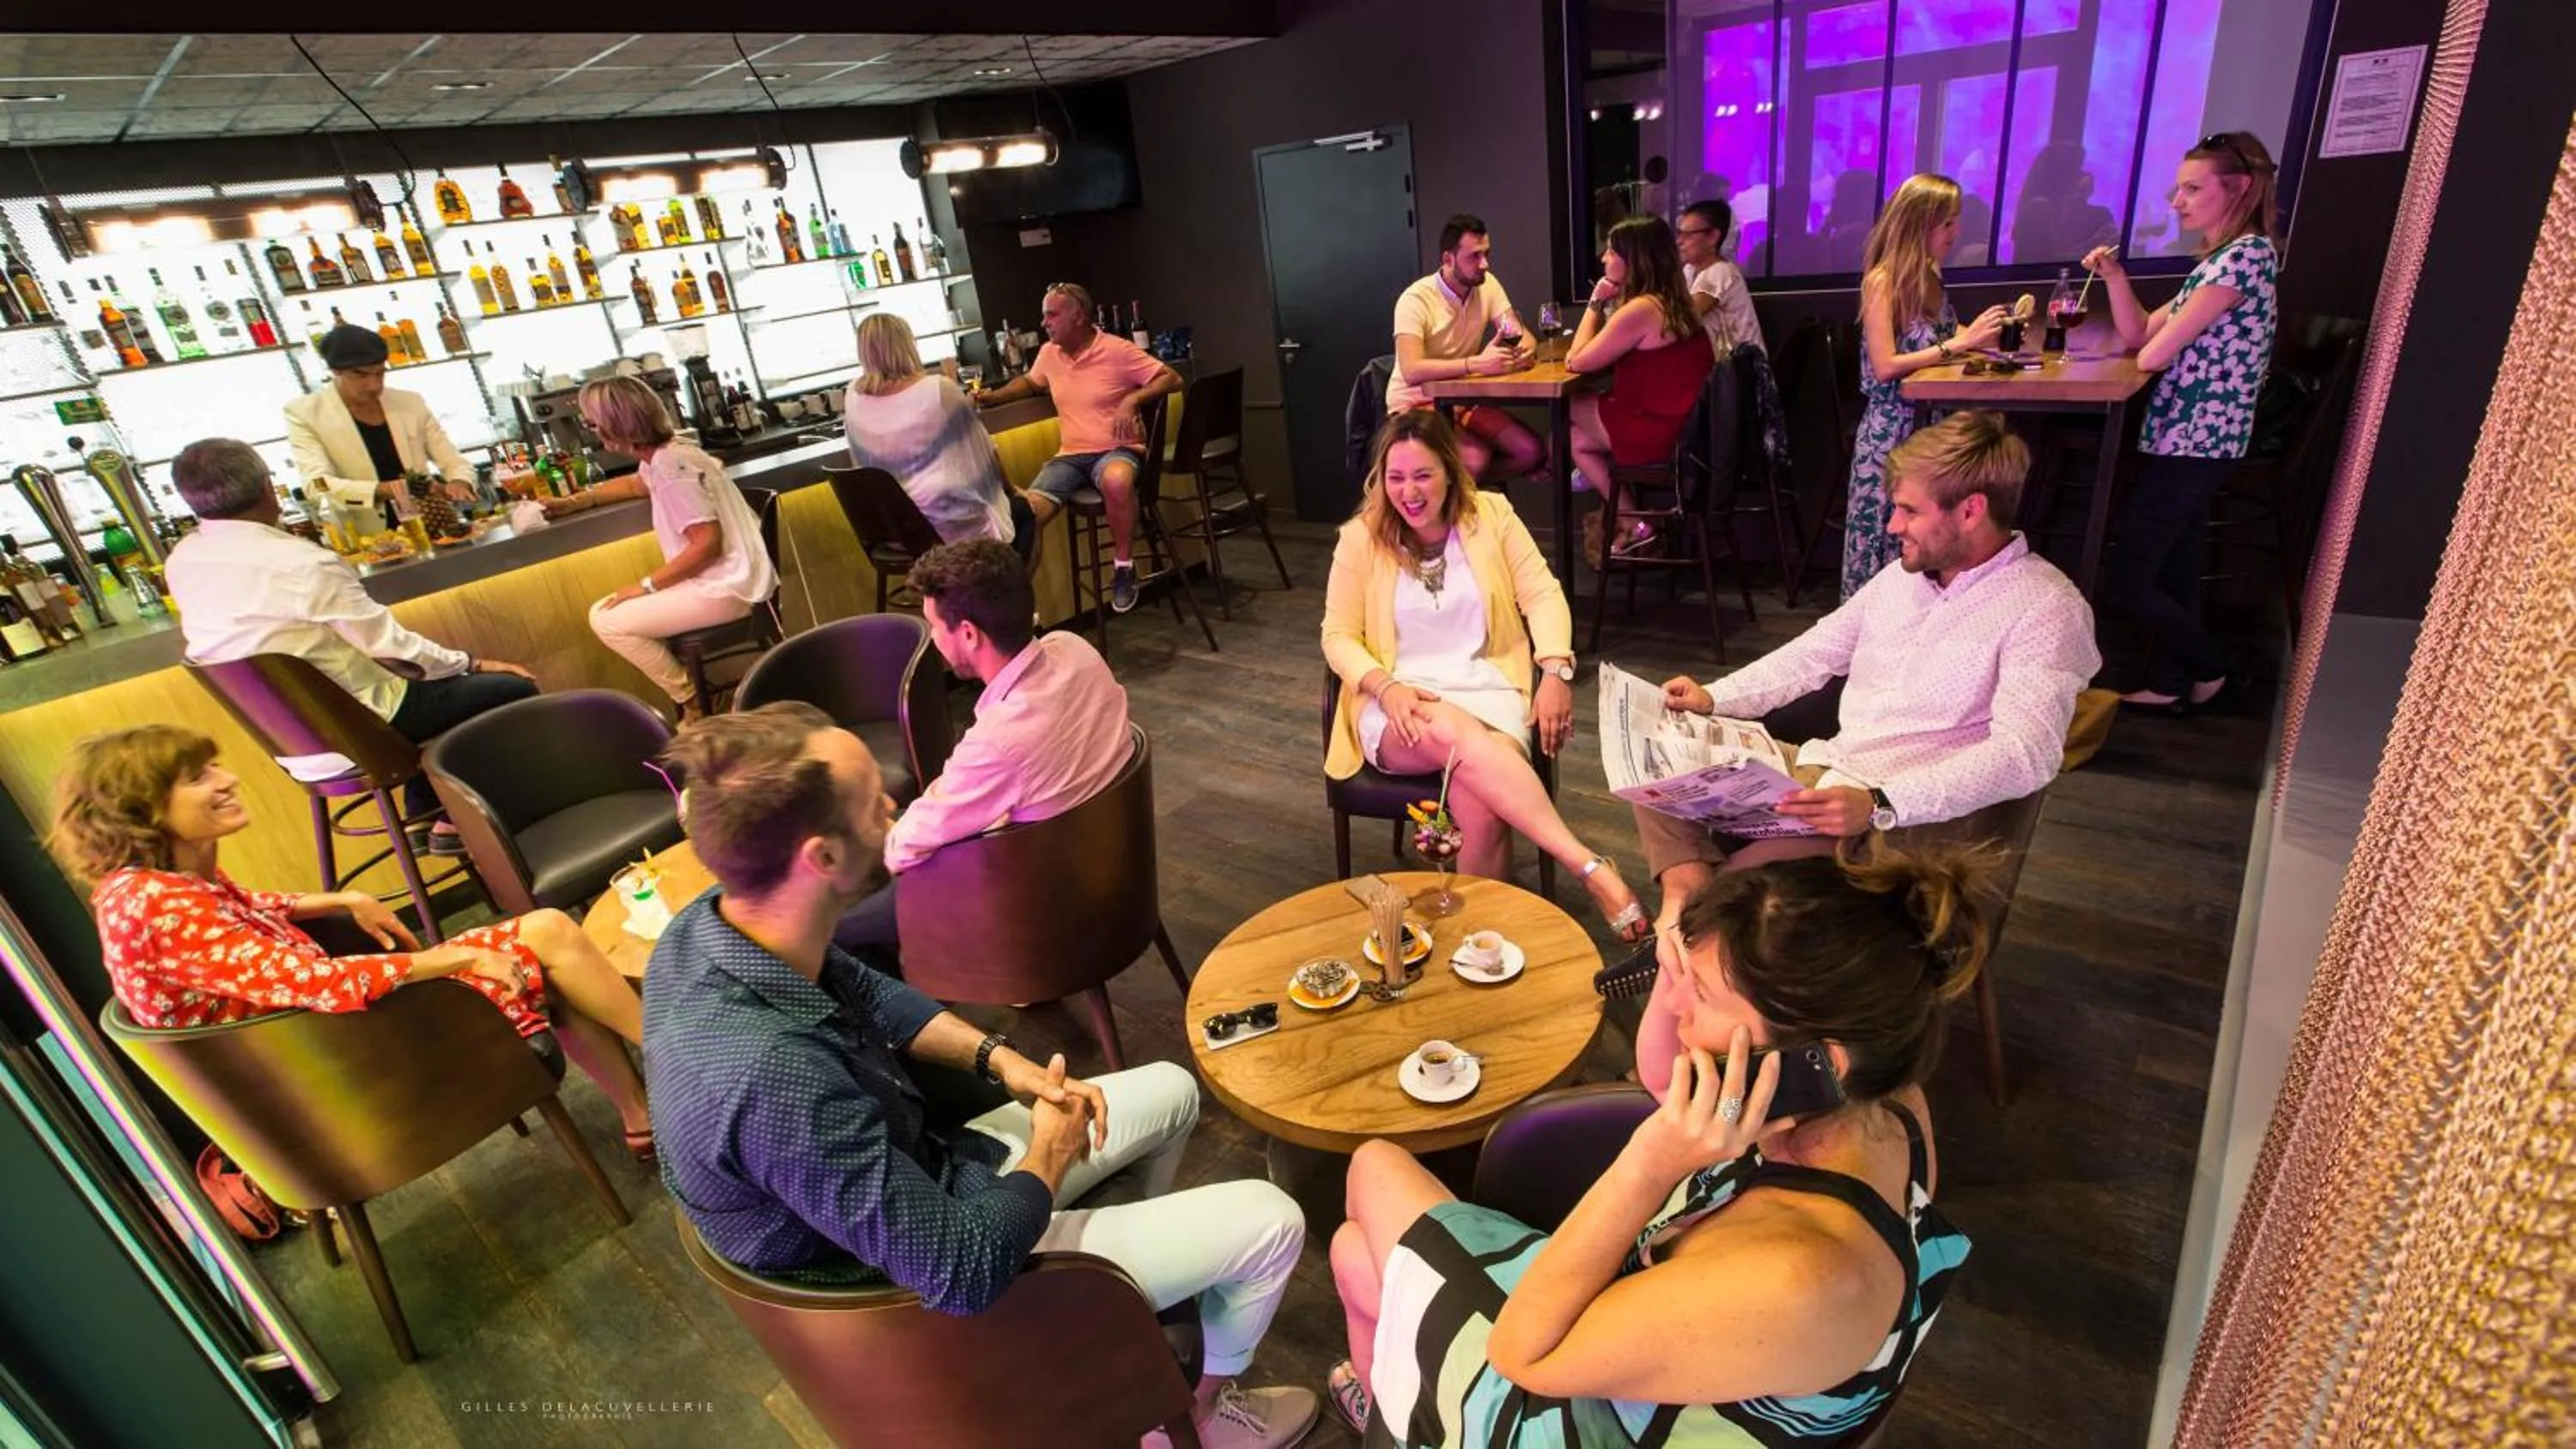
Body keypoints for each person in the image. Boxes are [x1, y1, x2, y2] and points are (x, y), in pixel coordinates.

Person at [643, 704, 1318, 1449]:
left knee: (1174, 1091)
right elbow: (961, 1272)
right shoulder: (770, 1080)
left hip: (936, 1176)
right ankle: (1197, 1414)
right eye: (874, 802)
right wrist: (1050, 1155)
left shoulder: (714, 927)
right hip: (927, 1297)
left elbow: (867, 991)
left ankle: (1108, 1304)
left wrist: (1004, 1062)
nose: (895, 806)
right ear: (823, 858)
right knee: (1272, 1221)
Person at [1324, 841, 1995, 1445]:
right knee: (1356, 1258)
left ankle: (1404, 1406)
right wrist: (1687, 972)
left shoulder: (1799, 1277)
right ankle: (1390, 1401)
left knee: (1374, 1167)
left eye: (1697, 993)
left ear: (1816, 1064)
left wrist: (1652, 1159)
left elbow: (1521, 1355)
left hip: (1576, 1404)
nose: (1674, 1008)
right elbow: (1658, 1074)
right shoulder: (1888, 1100)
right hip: (1672, 1342)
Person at [1626, 409, 2097, 967]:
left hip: (1901, 826)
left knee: (1737, 905)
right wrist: (1714, 697)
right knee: (1658, 745)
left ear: (1971, 511)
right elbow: (1815, 652)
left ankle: (1694, 939)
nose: (1892, 525)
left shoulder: (2045, 607)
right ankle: (1686, 898)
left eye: (1909, 510)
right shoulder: (1900, 578)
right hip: (1831, 773)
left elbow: (2027, 755)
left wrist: (1880, 805)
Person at [49, 725, 652, 1160]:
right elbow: (317, 982)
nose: (228, 779)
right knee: (547, 933)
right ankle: (687, 1065)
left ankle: (644, 1116)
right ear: (146, 808)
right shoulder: (162, 903)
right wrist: (459, 955)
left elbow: (246, 916)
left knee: (544, 946)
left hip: (320, 1052)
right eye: (200, 776)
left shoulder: (152, 884)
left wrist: (336, 899)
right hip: (349, 1068)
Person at [1322, 409, 1648, 941]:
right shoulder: (1360, 538)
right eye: (1396, 477)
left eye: (1423, 475)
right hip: (1398, 701)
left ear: (1450, 471)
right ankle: (1588, 867)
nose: (1409, 491)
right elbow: (1337, 636)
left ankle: (1481, 937)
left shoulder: (1491, 514)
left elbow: (1541, 594)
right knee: (1454, 733)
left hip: (1489, 690)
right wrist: (1385, 686)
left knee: (1480, 800)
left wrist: (1555, 670)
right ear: (1380, 478)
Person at [162, 438, 536, 857]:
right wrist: (474, 662)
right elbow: (390, 646)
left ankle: (427, 809)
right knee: (512, 690)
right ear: (269, 487)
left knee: (409, 693)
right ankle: (459, 823)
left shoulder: (182, 559)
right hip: (360, 731)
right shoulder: (299, 561)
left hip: (294, 744)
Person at [831, 538, 1133, 953]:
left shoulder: (999, 742)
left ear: (969, 633)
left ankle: (918, 999)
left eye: (935, 627)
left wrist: (869, 853)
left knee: (830, 922)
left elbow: (906, 849)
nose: (933, 639)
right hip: (1112, 864)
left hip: (1043, 901)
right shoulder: (1077, 650)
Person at [2082, 131, 2282, 714]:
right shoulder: (2219, 262)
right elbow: (2140, 333)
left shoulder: (2244, 256)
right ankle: (2174, 680)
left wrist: (2152, 344)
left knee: (2129, 576)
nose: (2178, 201)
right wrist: (2116, 277)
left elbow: (2150, 356)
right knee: (2174, 565)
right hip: (2188, 438)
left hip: (2197, 440)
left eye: (2192, 189)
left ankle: (2214, 664)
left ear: (2238, 188)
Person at [540, 377, 776, 721]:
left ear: (613, 424)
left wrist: (646, 586)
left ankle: (695, 700)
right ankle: (696, 695)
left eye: (593, 421)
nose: (591, 429)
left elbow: (707, 544)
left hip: (726, 589)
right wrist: (579, 500)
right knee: (612, 612)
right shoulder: (669, 453)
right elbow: (637, 484)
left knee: (606, 619)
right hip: (733, 578)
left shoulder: (671, 468)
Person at [1842, 173, 2009, 598]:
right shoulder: (1883, 280)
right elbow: (1886, 366)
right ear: (1921, 225)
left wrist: (1991, 335)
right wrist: (1962, 344)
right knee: (1886, 543)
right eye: (1948, 224)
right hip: (1891, 431)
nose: (1956, 233)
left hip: (1930, 429)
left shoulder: (1931, 278)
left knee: (1931, 543)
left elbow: (1948, 332)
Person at [973, 282, 1183, 614]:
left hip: (1118, 449)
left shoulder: (1117, 349)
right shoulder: (1049, 354)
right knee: (1024, 511)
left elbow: (1171, 377)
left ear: (1079, 316)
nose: (1044, 323)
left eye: (1051, 315)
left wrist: (1132, 398)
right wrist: (994, 397)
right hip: (1070, 457)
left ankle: (1124, 569)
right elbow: (1031, 382)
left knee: (1116, 480)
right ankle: (1017, 608)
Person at [1564, 216, 1721, 560]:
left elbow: (1576, 361)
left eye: (1611, 251)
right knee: (1576, 440)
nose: (1604, 258)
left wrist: (1595, 301)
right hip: (1687, 432)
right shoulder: (1672, 301)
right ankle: (1637, 526)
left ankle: (1557, 471)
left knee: (1567, 406)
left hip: (1660, 432)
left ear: (1633, 259)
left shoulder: (1641, 309)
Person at [842, 314, 1035, 561]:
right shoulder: (938, 390)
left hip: (891, 531)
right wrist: (1013, 490)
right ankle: (1002, 596)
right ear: (907, 345)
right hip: (945, 528)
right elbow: (985, 453)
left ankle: (958, 596)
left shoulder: (852, 395)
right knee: (1024, 511)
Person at [1384, 214, 1546, 482]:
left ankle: (1462, 494)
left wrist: (1522, 352)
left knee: (1529, 451)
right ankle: (1457, 499)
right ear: (1448, 259)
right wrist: (1475, 364)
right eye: (1475, 256)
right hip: (1413, 403)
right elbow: (1412, 369)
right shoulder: (1415, 299)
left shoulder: (1488, 284)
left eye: (1486, 254)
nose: (1485, 264)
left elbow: (1520, 334)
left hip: (1460, 398)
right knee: (1475, 459)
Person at [284, 324, 478, 512]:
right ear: (336, 371)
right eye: (362, 376)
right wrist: (390, 489)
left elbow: (453, 460)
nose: (374, 385)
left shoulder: (410, 403)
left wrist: (459, 481)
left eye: (380, 373)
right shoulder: (305, 414)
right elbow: (317, 485)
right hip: (368, 537)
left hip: (434, 523)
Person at [1676, 197, 1765, 355]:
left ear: (1713, 237)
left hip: (1741, 373)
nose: (1679, 241)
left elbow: (1685, 320)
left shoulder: (1721, 272)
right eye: (1679, 233)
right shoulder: (1689, 270)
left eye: (1688, 235)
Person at [2011, 142, 2117, 264]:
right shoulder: (2040, 205)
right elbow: (2051, 259)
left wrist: (2095, 242)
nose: (2081, 174)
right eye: (2077, 168)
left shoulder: (2053, 204)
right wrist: (2093, 250)